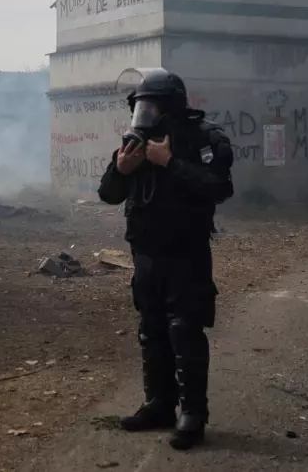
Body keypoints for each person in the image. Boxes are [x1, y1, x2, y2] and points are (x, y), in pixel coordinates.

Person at [97, 69, 234, 451]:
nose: (146, 114)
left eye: (152, 106)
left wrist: (170, 162)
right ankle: (158, 404)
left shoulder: (204, 138)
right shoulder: (134, 145)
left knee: (184, 331)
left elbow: (220, 188)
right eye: (141, 106)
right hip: (146, 254)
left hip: (186, 253)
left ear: (171, 107)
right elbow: (108, 194)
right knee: (151, 329)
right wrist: (122, 169)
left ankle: (192, 414)